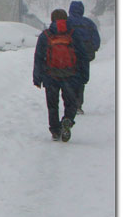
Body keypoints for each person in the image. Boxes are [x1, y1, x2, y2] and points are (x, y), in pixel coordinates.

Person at [33, 8, 89, 142]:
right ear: (66, 19)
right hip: (71, 75)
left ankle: (55, 131)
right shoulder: (73, 34)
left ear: (52, 19)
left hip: (51, 75)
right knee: (71, 103)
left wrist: (37, 78)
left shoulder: (46, 35)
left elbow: (39, 57)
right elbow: (82, 56)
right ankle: (68, 120)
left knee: (52, 105)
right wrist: (84, 75)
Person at [66, 0, 100, 114]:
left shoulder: (66, 22)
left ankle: (70, 103)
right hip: (84, 57)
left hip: (68, 56)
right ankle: (78, 104)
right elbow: (96, 40)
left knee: (69, 79)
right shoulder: (88, 23)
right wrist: (92, 49)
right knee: (81, 81)